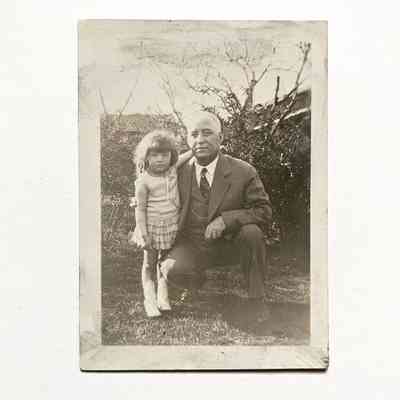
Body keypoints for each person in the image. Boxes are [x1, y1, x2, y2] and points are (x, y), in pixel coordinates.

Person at [159, 111, 272, 310]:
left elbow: (263, 211)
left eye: (207, 133)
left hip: (228, 245)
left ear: (220, 137)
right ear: (187, 139)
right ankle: (193, 280)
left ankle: (257, 298)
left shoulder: (243, 171)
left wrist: (225, 220)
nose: (200, 140)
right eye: (194, 134)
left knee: (252, 233)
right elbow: (146, 178)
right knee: (171, 269)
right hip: (191, 244)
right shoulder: (176, 172)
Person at [129, 130, 192, 318]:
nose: (160, 159)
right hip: (150, 228)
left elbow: (185, 156)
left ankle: (162, 297)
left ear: (171, 155)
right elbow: (140, 210)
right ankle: (149, 300)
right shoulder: (143, 181)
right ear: (145, 157)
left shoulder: (172, 170)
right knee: (149, 264)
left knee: (163, 261)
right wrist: (144, 234)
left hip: (170, 227)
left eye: (165, 154)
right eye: (154, 155)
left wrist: (196, 148)